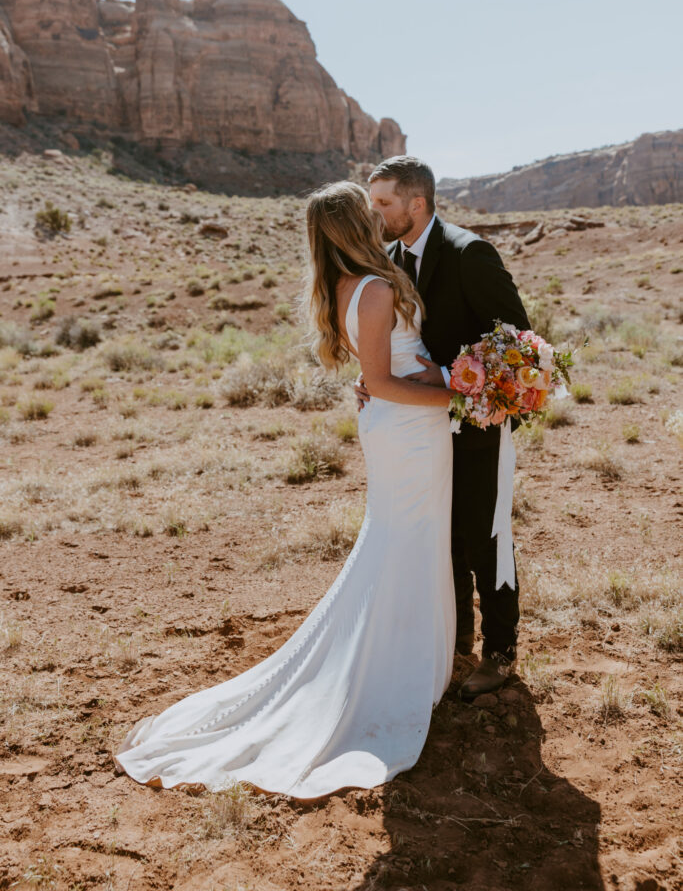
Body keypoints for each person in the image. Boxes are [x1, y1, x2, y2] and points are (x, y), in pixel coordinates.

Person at [115, 180, 456, 799]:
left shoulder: (348, 287)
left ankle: (409, 665)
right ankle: (391, 675)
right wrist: (454, 394)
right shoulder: (377, 289)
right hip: (407, 431)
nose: (380, 215)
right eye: (370, 209)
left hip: (404, 429)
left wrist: (429, 375)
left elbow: (378, 369)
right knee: (404, 544)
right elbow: (380, 380)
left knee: (405, 542)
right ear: (356, 224)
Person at [360, 156, 530, 700]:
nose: (375, 211)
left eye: (384, 201)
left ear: (417, 203)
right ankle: (453, 640)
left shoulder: (469, 252)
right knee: (442, 536)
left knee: (486, 537)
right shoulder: (387, 260)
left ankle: (500, 653)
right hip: (419, 426)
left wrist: (450, 373)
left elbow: (517, 342)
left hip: (478, 423)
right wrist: (374, 379)